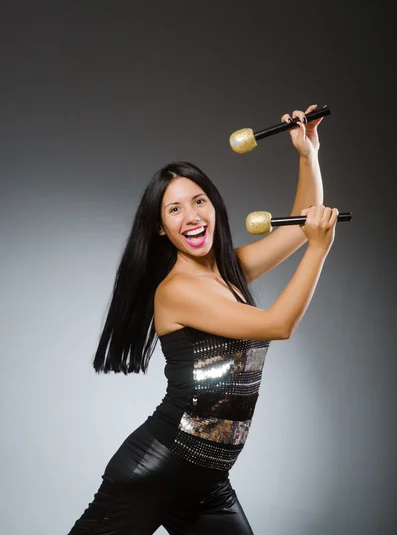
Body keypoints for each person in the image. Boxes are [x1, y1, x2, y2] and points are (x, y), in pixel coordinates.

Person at [67, 105, 339, 534]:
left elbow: (298, 227)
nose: (191, 216)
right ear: (160, 228)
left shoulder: (227, 271)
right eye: (174, 210)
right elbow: (277, 324)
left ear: (215, 206)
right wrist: (320, 250)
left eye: (199, 201)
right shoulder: (177, 291)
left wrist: (308, 154)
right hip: (156, 471)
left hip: (205, 480)